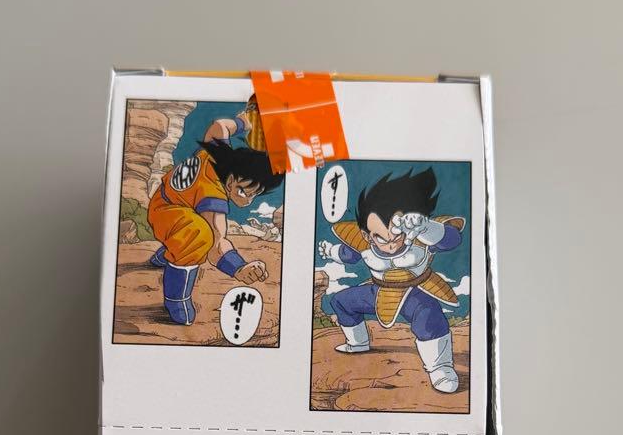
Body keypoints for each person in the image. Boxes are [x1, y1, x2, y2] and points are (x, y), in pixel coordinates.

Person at [317, 168, 464, 393]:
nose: (392, 245)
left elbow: (452, 239)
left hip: (414, 293)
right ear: (367, 235)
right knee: (342, 301)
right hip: (378, 291)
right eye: (381, 238)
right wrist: (330, 251)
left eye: (396, 237)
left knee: (429, 316)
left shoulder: (420, 236)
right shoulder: (363, 242)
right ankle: (358, 342)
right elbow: (349, 254)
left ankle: (440, 368)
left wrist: (426, 228)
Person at [147, 106, 282, 325]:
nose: (247, 201)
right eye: (244, 191)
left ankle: (168, 252)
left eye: (254, 195)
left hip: (167, 203)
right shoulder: (214, 198)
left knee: (190, 226)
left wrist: (243, 123)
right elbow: (217, 243)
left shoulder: (217, 153)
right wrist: (239, 268)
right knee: (199, 236)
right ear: (231, 180)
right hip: (166, 212)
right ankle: (176, 299)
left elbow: (220, 126)